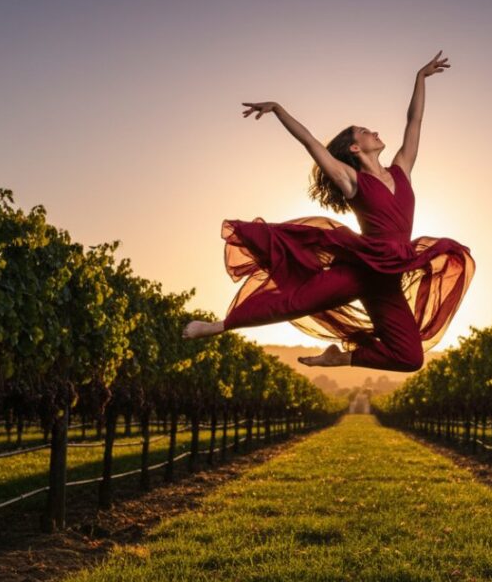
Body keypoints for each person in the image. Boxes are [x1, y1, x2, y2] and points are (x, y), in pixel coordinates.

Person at [182, 51, 475, 372]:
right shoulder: (352, 181)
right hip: (361, 268)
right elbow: (311, 143)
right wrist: (279, 109)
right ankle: (219, 326)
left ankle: (341, 358)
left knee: (411, 359)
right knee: (296, 302)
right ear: (354, 148)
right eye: (364, 131)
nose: (373, 131)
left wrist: (420, 78)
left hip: (390, 277)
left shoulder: (402, 168)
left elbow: (414, 121)